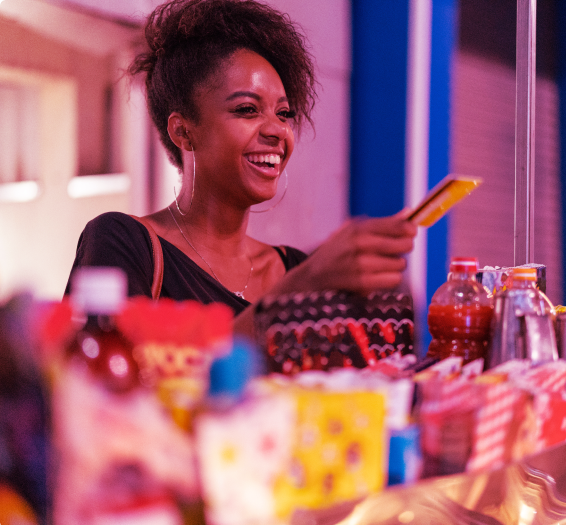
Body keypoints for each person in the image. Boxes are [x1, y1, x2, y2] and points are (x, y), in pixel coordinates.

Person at [65, 0, 417, 336]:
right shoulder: (122, 241)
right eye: (248, 110)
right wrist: (300, 292)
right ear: (183, 131)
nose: (277, 130)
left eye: (283, 114)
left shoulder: (291, 267)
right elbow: (106, 385)